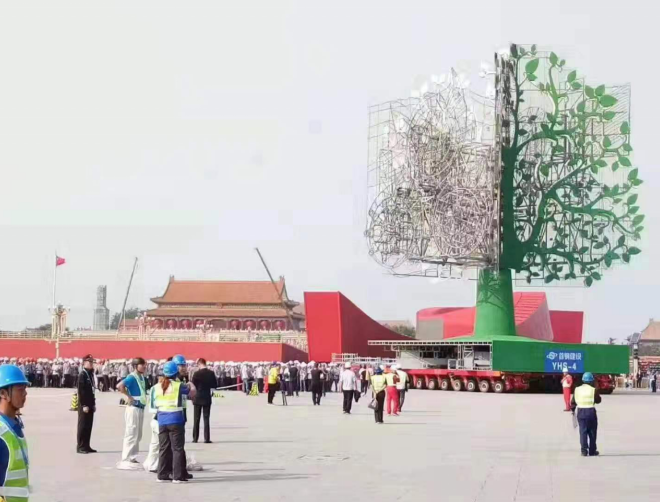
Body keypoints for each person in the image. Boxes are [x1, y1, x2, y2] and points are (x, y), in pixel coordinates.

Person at [153, 361, 196, 483]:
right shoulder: (178, 386)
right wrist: (191, 384)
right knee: (177, 449)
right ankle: (177, 476)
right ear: (176, 373)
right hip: (175, 419)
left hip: (162, 420)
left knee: (163, 448)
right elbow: (192, 392)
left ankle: (162, 475)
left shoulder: (157, 386)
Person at [0, 364, 30, 501]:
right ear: (3, 393)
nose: (25, 393)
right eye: (20, 389)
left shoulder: (14, 425)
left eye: (25, 388)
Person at [116, 357, 147, 468]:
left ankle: (132, 457)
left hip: (140, 408)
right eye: (142, 364)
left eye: (144, 364)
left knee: (138, 434)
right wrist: (129, 397)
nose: (144, 366)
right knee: (131, 433)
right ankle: (125, 458)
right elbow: (119, 386)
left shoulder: (142, 377)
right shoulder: (131, 377)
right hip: (133, 408)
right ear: (135, 366)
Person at [571, 372, 602, 457]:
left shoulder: (577, 389)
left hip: (581, 412)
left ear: (583, 380)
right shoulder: (593, 390)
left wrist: (573, 410)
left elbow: (573, 402)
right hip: (591, 412)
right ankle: (592, 451)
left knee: (583, 432)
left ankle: (584, 451)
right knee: (592, 432)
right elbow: (598, 400)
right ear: (591, 381)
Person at [191, 358, 217, 444]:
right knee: (206, 419)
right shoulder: (211, 373)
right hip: (206, 397)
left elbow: (193, 386)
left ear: (199, 364)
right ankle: (207, 438)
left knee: (196, 418)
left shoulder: (196, 374)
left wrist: (192, 397)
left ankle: (195, 438)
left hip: (197, 397)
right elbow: (214, 385)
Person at [77, 354, 97, 454]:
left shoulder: (90, 374)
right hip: (84, 404)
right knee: (83, 425)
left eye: (92, 362)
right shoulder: (82, 374)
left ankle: (87, 445)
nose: (91, 363)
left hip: (90, 403)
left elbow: (92, 390)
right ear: (84, 363)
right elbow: (81, 391)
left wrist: (93, 404)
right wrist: (84, 405)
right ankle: (80, 446)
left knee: (89, 425)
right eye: (90, 362)